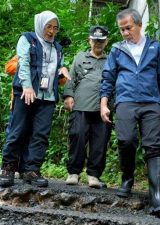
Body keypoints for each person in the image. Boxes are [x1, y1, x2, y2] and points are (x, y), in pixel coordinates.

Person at [100, 8, 160, 215]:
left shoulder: (155, 47)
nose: (124, 33)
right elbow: (108, 78)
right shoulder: (116, 49)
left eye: (128, 28)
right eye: (121, 29)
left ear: (139, 25)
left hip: (151, 103)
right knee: (126, 140)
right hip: (125, 102)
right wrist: (104, 104)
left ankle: (156, 197)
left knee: (154, 145)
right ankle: (127, 178)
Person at [0, 10, 69, 188]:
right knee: (18, 130)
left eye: (55, 28)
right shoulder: (27, 39)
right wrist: (27, 86)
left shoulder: (58, 48)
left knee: (40, 134)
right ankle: (8, 167)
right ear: (40, 25)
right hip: (26, 93)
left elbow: (57, 69)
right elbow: (23, 63)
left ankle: (31, 170)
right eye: (48, 26)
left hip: (48, 97)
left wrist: (63, 72)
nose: (51, 31)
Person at [63, 25, 111, 189]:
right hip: (81, 105)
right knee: (77, 137)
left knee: (100, 141)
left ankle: (94, 175)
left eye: (101, 40)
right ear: (89, 40)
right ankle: (73, 172)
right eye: (95, 40)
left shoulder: (111, 60)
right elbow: (71, 78)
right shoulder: (80, 57)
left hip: (103, 108)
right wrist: (68, 95)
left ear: (106, 42)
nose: (98, 43)